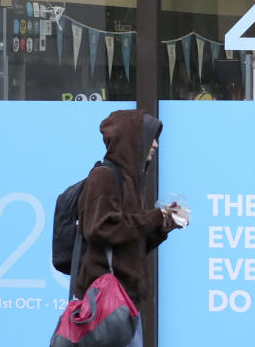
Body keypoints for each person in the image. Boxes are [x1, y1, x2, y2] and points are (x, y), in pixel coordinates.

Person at [75, 109, 180, 347]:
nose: (155, 145)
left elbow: (130, 239)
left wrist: (164, 224)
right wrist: (154, 217)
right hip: (105, 303)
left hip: (125, 302)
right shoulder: (104, 177)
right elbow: (100, 228)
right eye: (150, 138)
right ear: (132, 141)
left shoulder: (131, 181)